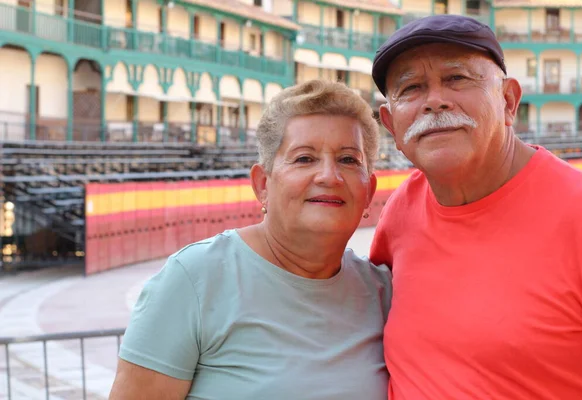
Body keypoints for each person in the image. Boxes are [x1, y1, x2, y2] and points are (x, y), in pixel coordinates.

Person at [109, 80, 392, 400]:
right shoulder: (195, 280)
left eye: (348, 159)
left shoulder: (382, 293)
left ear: (368, 191)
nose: (329, 176)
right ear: (262, 184)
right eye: (304, 158)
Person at [370, 14, 582, 400]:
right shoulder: (400, 211)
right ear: (391, 126)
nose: (434, 101)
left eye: (457, 78)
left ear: (508, 101)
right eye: (411, 88)